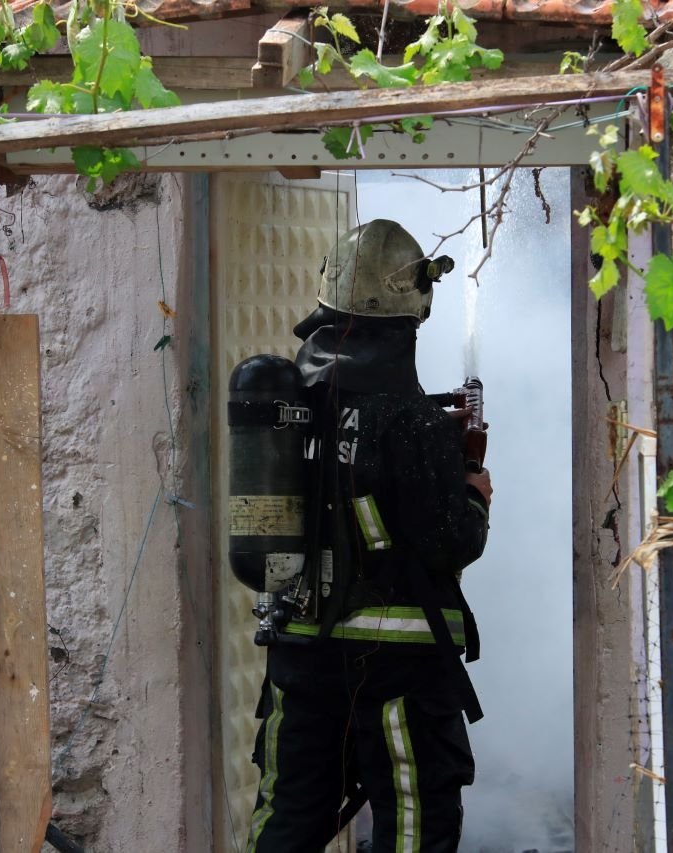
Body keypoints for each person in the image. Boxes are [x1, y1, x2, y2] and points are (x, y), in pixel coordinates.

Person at [246, 219, 493, 853]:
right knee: (414, 815)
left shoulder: (285, 399)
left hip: (299, 653)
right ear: (412, 312)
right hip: (397, 666)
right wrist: (473, 489)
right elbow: (448, 542)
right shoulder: (410, 419)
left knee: (289, 813)